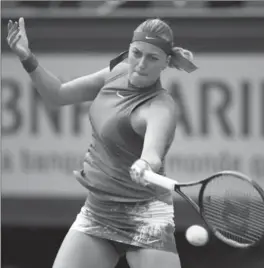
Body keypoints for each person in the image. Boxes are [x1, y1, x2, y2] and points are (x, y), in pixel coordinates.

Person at [6, 17, 197, 268]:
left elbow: (153, 153)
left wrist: (144, 165)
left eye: (152, 58)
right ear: (129, 49)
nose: (140, 64)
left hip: (145, 217)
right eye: (136, 53)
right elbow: (58, 94)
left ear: (166, 62)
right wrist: (27, 57)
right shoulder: (116, 72)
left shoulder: (160, 107)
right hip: (99, 210)